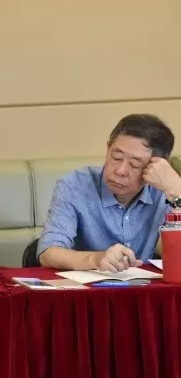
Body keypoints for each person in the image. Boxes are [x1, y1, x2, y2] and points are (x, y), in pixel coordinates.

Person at [38, 113, 181, 273]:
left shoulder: (165, 191)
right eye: (116, 157)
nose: (120, 170)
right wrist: (96, 259)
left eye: (134, 164)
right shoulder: (75, 186)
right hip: (86, 286)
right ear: (107, 149)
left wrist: (177, 189)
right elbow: (48, 253)